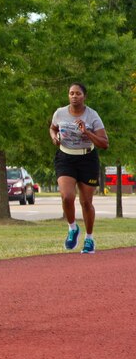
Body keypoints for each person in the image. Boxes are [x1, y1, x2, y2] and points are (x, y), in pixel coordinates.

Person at [49, 82, 108, 254]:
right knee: (67, 196)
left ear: (84, 96)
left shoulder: (92, 116)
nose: (74, 96)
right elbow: (53, 128)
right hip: (65, 157)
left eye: (78, 94)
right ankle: (72, 228)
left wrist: (87, 132)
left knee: (86, 202)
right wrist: (54, 137)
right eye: (71, 93)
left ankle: (89, 239)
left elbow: (104, 143)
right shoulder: (60, 113)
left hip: (87, 159)